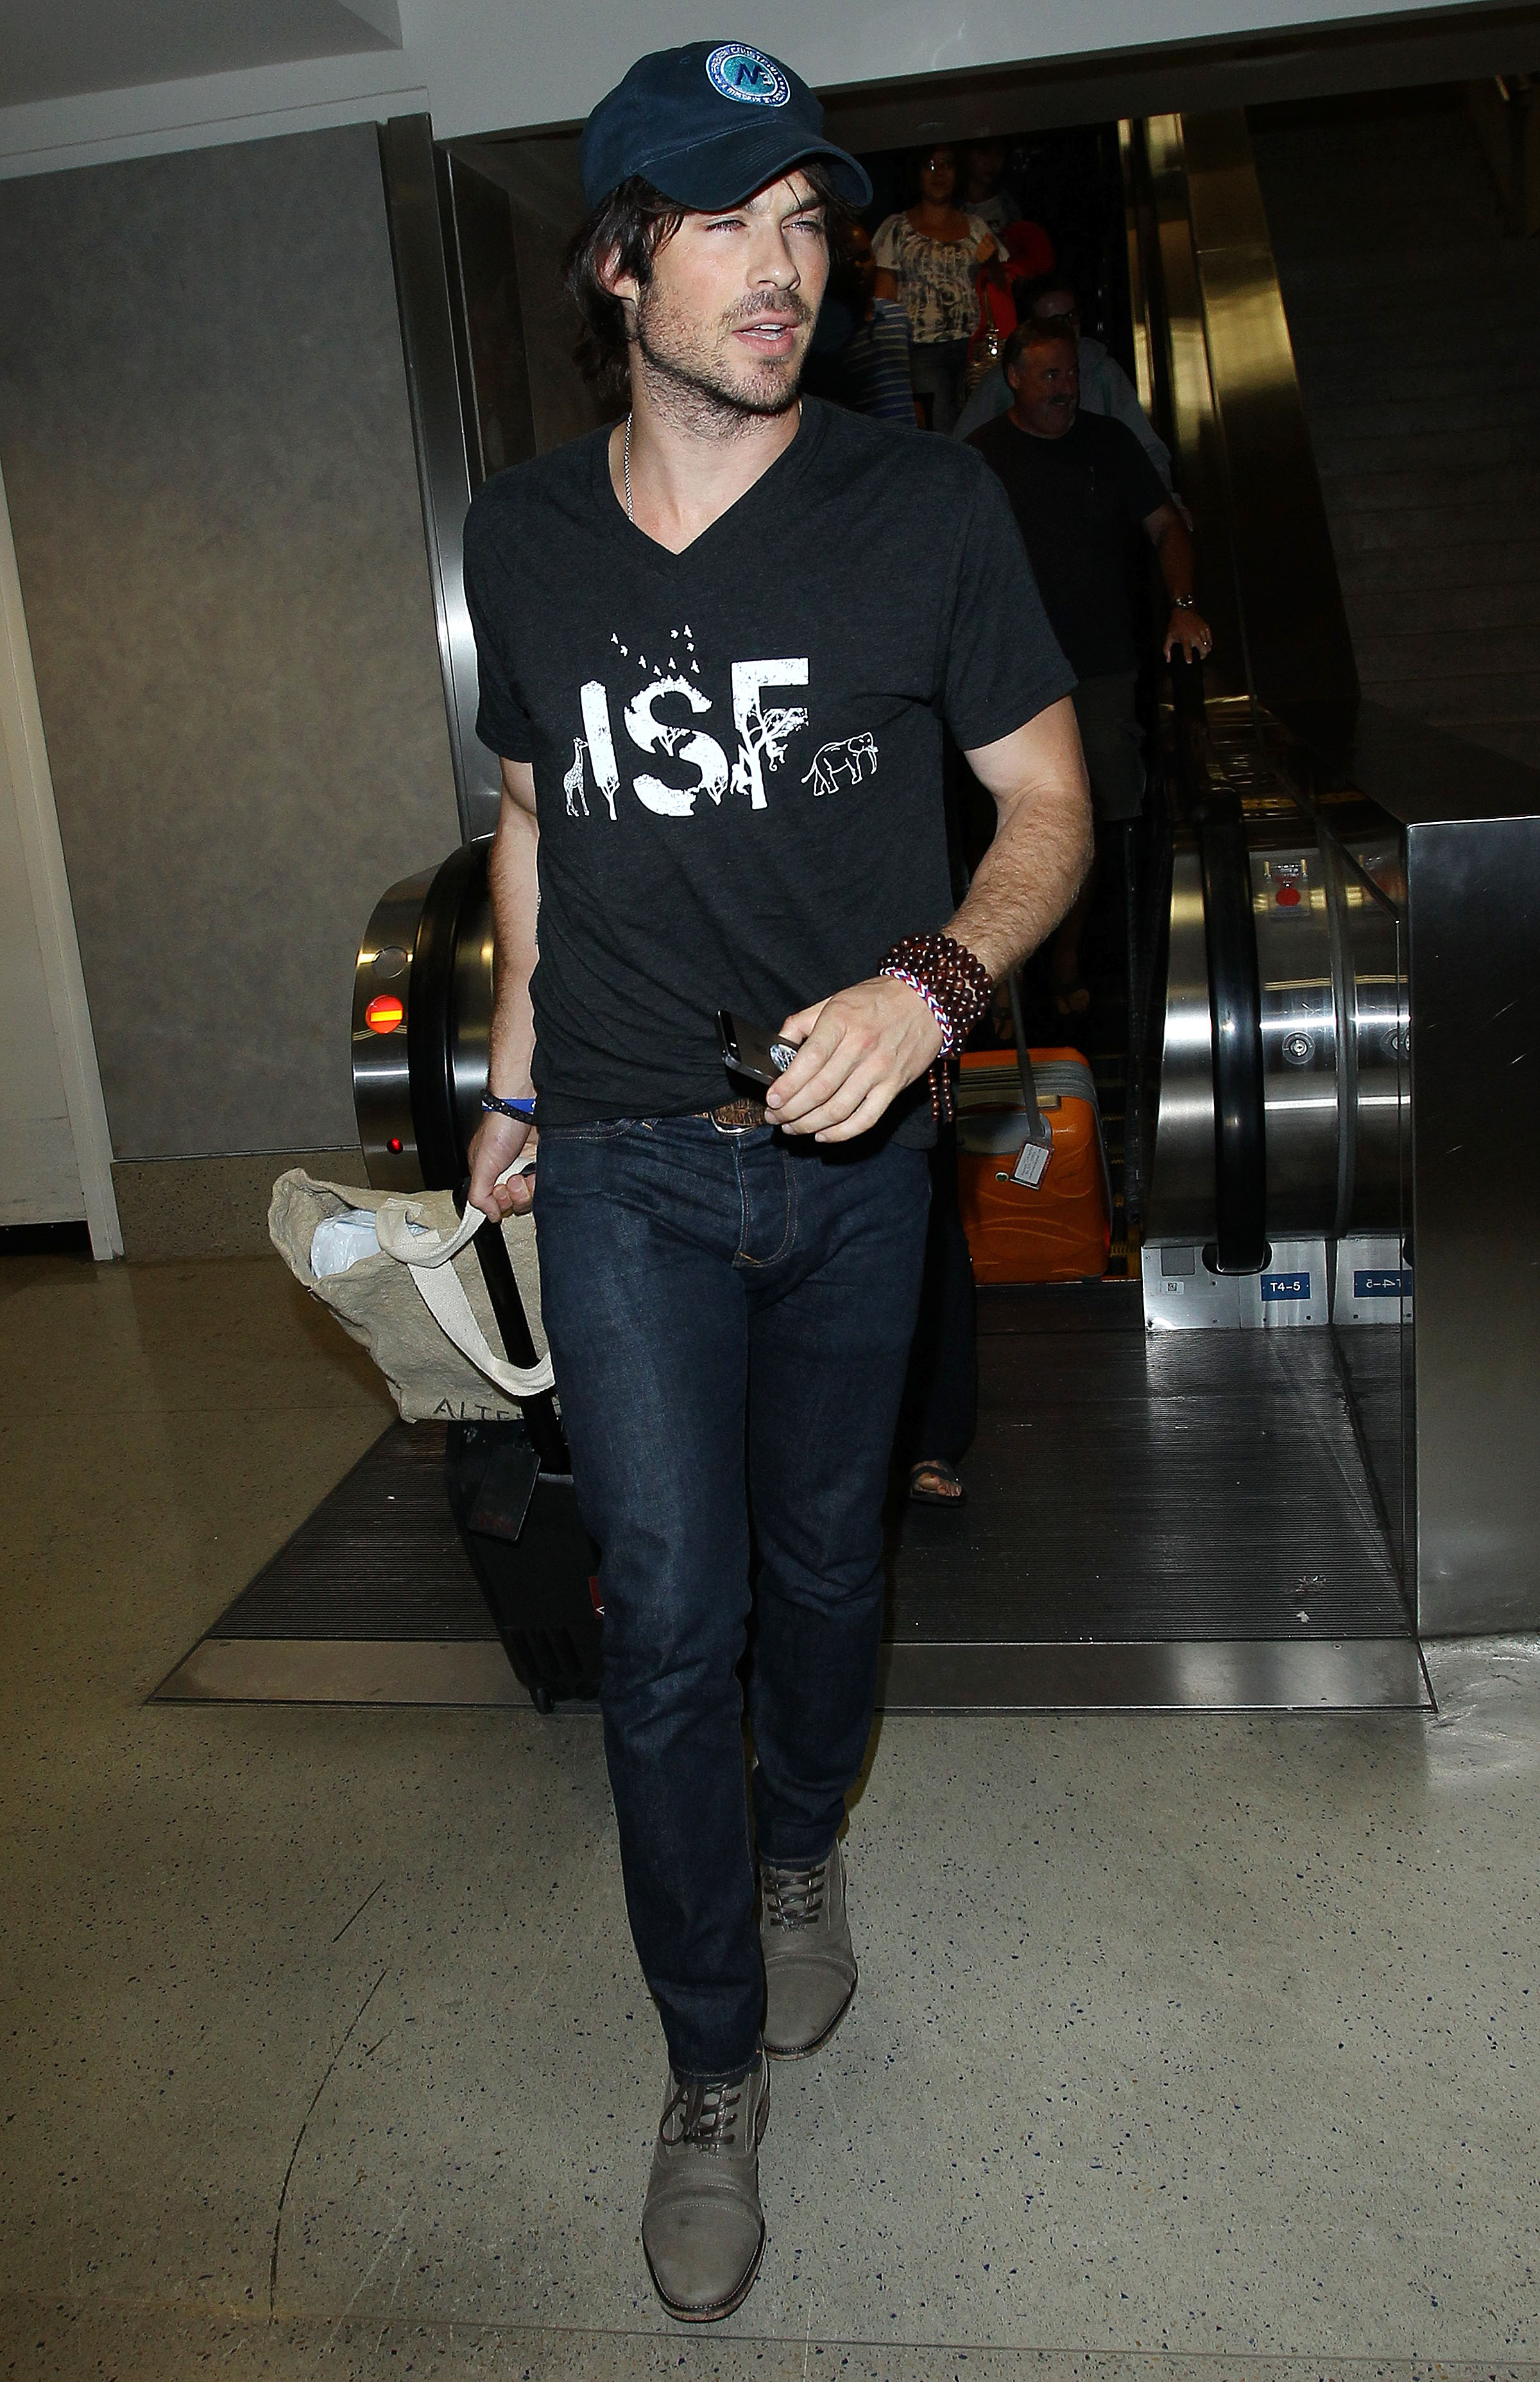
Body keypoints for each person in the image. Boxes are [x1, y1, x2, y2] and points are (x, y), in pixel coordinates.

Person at [462, 39, 1092, 2329]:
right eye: (726, 221)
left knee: (829, 1560)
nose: (786, 267)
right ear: (616, 262)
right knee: (667, 1612)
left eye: (807, 219)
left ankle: (802, 1838)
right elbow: (536, 814)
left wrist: (934, 984)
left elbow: (1046, 807)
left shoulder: (925, 508)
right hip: (625, 1147)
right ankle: (706, 2062)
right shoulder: (520, 536)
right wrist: (513, 1077)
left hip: (854, 1159)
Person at [968, 315, 1210, 1013]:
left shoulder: (1109, 442)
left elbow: (1167, 525)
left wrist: (1183, 604)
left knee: (1092, 816)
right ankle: (1004, 977)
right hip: (1014, 674)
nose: (1065, 388)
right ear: (1014, 379)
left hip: (1100, 666)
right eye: (1050, 374)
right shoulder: (982, 458)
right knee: (1015, 822)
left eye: (1072, 373)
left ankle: (1068, 961)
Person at [955, 271, 1175, 491]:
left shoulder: (1103, 372)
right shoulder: (1001, 382)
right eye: (1054, 323)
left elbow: (1148, 450)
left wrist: (1163, 500)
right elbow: (961, 455)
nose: (1067, 328)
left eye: (1072, 317)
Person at [871, 144, 996, 433]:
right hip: (923, 351)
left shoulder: (977, 227)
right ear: (917, 174)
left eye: (947, 165)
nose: (939, 173)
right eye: (930, 166)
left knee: (983, 428)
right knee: (943, 431)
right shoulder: (897, 228)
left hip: (976, 349)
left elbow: (1001, 289)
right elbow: (884, 298)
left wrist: (992, 265)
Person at [802, 221, 917, 425]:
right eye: (848, 261)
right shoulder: (827, 335)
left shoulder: (897, 317)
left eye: (864, 258)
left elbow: (910, 385)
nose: (858, 267)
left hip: (906, 437)